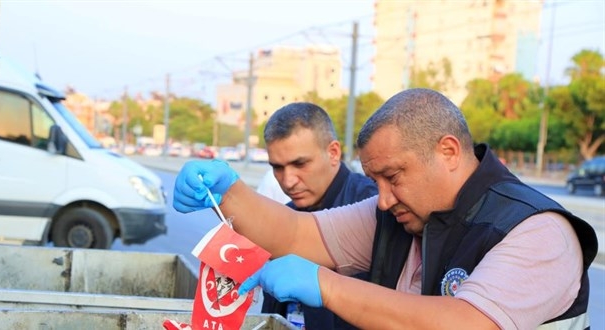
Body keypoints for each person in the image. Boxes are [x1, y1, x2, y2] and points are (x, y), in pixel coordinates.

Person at [174, 88, 598, 329]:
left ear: (448, 151)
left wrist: (326, 285)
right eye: (375, 180)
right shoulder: (399, 215)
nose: (382, 198)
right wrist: (228, 191)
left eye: (394, 176)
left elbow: (466, 323)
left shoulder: (536, 231)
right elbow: (296, 235)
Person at [257, 102, 378, 329]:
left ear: (333, 152)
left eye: (299, 164)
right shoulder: (286, 214)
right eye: (278, 167)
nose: (288, 180)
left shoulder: (376, 208)